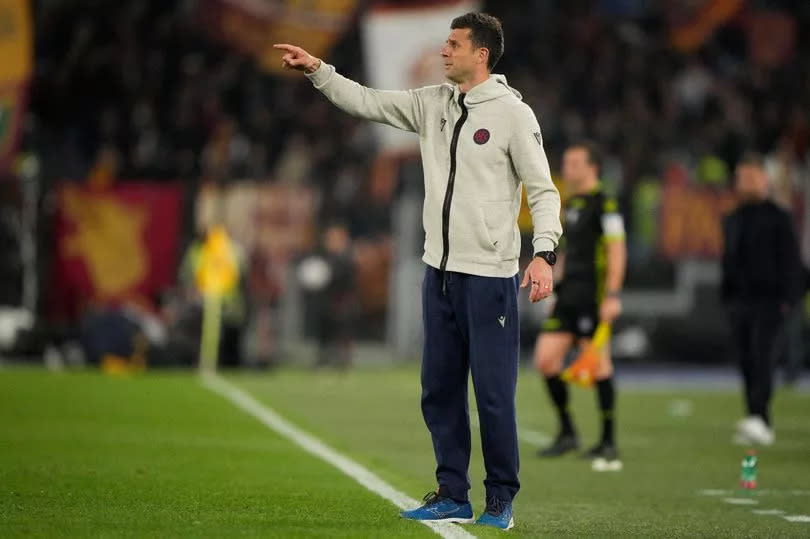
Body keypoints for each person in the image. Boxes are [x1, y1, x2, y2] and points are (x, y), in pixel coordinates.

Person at [275, 11, 562, 530]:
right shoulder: (433, 103)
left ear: (481, 54)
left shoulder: (513, 115)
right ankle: (452, 492)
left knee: (493, 395)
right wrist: (319, 69)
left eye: (453, 44)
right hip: (441, 273)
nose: (443, 50)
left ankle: (500, 499)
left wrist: (543, 253)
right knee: (438, 389)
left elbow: (543, 190)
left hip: (491, 275)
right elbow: (367, 101)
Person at [533, 143, 626, 466]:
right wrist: (554, 287)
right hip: (568, 294)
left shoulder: (606, 204)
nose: (567, 168)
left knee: (599, 365)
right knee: (545, 360)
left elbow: (616, 252)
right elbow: (568, 252)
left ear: (593, 168)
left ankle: (608, 440)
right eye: (566, 162)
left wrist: (612, 296)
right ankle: (568, 432)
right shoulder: (571, 204)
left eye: (574, 163)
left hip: (592, 296)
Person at [722, 152, 802, 446]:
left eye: (753, 177)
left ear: (765, 180)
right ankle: (754, 415)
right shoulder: (732, 218)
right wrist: (727, 296)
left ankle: (761, 416)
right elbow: (728, 259)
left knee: (762, 356)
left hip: (770, 300)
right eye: (743, 177)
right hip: (740, 300)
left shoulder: (779, 217)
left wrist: (789, 299)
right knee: (745, 359)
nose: (747, 183)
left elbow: (791, 261)